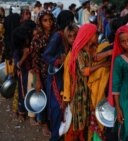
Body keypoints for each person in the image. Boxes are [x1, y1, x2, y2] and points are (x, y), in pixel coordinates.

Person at [67, 23, 109, 141]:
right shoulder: (80, 52)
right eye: (95, 34)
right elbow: (84, 71)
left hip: (86, 90)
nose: (96, 36)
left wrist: (109, 52)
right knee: (79, 121)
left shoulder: (88, 49)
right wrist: (102, 65)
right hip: (80, 92)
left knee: (84, 120)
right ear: (88, 35)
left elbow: (95, 57)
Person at [43, 10, 75, 141]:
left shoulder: (67, 34)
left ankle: (60, 134)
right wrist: (58, 61)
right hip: (56, 77)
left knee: (63, 107)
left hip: (64, 76)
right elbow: (45, 55)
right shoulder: (58, 36)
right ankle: (55, 136)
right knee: (57, 107)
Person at [107, 25, 128, 141]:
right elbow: (116, 85)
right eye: (123, 41)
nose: (127, 44)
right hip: (125, 98)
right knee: (127, 128)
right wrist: (118, 108)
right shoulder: (119, 60)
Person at [30, 10, 55, 137]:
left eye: (50, 20)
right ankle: (45, 124)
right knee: (44, 99)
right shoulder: (37, 39)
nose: (48, 23)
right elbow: (34, 61)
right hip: (43, 74)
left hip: (55, 73)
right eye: (45, 20)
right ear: (40, 22)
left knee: (54, 99)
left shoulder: (56, 35)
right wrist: (38, 79)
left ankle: (53, 122)